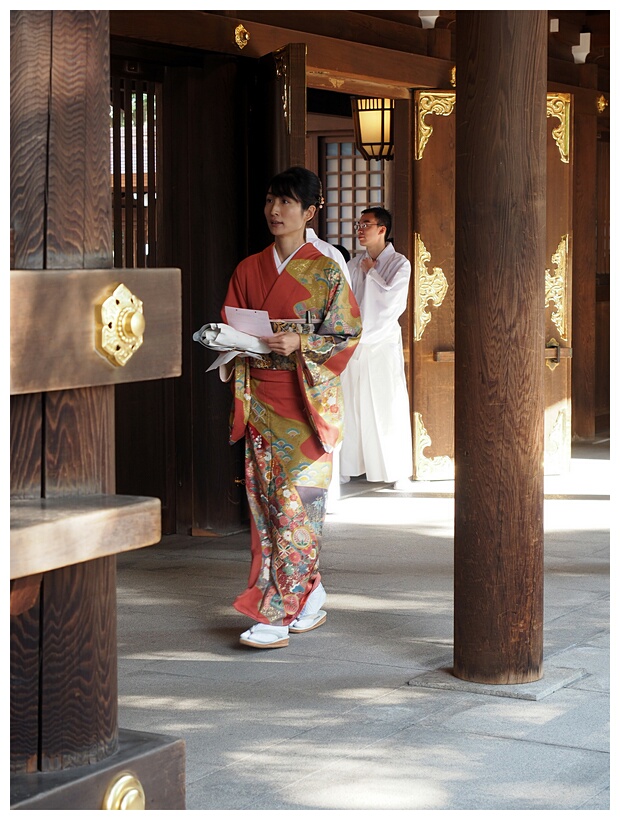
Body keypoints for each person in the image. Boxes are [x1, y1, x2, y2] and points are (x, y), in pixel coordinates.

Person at [220, 166, 362, 649]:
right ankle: (312, 592)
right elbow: (231, 326)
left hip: (305, 406)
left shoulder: (326, 270)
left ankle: (277, 612)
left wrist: (300, 340)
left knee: (296, 511)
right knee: (266, 510)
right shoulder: (248, 268)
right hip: (260, 402)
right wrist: (236, 342)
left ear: (310, 212)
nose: (275, 211)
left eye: (286, 202)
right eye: (270, 201)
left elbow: (346, 335)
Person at [340, 206, 414, 489]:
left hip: (381, 343)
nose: (360, 230)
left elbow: (392, 304)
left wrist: (373, 274)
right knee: (353, 403)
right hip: (355, 343)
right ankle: (350, 465)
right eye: (358, 225)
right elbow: (345, 301)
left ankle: (396, 470)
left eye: (366, 225)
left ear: (382, 229)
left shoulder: (399, 263)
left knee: (386, 404)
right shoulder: (352, 265)